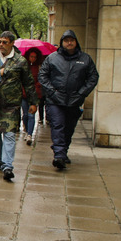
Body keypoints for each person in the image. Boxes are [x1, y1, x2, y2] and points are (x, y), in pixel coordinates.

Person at [0, 32, 37, 182]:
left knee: (9, 134)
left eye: (5, 42)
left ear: (12, 43)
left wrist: (33, 102)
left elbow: (28, 83)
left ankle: (8, 166)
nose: (1, 45)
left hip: (11, 105)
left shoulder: (20, 61)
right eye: (0, 42)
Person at [38, 30, 99, 169]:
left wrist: (81, 93)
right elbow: (43, 76)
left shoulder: (85, 59)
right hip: (55, 100)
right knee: (58, 125)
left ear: (76, 42)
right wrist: (52, 92)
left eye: (72, 40)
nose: (69, 43)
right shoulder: (52, 58)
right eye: (66, 40)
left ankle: (63, 151)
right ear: (62, 43)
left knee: (69, 128)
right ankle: (58, 155)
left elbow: (93, 77)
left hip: (74, 100)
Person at [21, 47, 44, 145]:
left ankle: (30, 134)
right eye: (31, 57)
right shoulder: (24, 66)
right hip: (24, 94)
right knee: (25, 114)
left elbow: (41, 79)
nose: (33, 59)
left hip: (34, 95)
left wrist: (36, 86)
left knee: (31, 115)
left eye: (34, 57)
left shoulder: (39, 67)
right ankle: (26, 130)